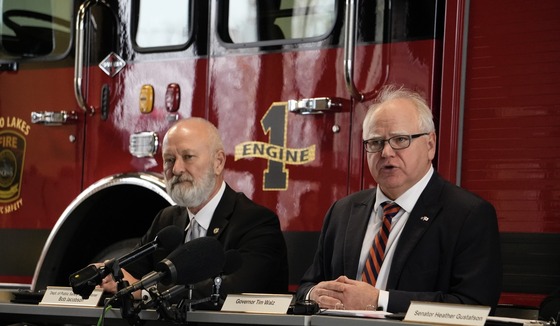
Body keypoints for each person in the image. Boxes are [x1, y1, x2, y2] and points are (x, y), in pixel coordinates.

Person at [296, 84, 502, 314]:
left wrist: (380, 300)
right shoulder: (342, 211)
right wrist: (314, 295)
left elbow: (474, 306)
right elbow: (305, 287)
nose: (386, 152)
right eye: (375, 142)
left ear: (430, 145)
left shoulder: (468, 215)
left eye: (400, 140)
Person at [101, 117, 289, 308]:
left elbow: (233, 291)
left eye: (188, 157)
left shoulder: (256, 223)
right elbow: (128, 273)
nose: (176, 169)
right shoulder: (166, 220)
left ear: (218, 162)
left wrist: (146, 291)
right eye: (169, 160)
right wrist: (108, 275)